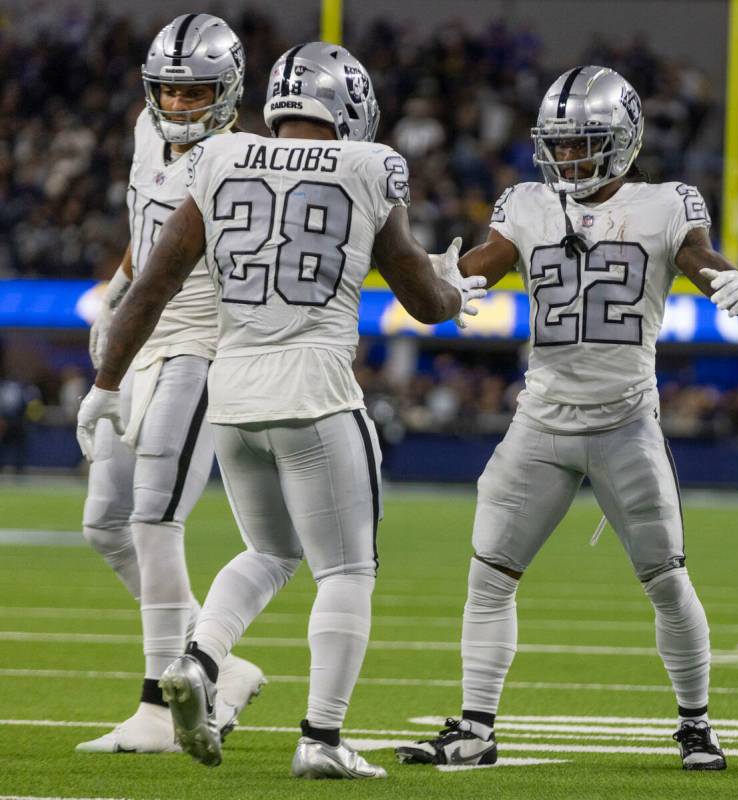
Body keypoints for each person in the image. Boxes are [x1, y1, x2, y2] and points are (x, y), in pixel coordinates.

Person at [76, 41, 486, 778]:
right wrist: (455, 290)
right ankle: (322, 739)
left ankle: (199, 660)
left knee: (269, 552)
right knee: (347, 567)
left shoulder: (220, 158)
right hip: (316, 392)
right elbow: (423, 303)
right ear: (353, 106)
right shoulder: (370, 166)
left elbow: (153, 283)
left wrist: (106, 382)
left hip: (230, 393)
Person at [395, 66, 738, 772]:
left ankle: (695, 724)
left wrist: (730, 279)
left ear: (624, 140)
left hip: (626, 423)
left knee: (664, 576)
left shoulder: (664, 203)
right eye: (559, 144)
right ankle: (475, 728)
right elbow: (489, 261)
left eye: (582, 143)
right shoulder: (528, 203)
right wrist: (444, 276)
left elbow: (696, 258)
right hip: (540, 424)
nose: (566, 157)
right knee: (489, 573)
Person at [76, 14, 264, 755]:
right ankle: (219, 661)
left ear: (227, 91)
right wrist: (119, 288)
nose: (179, 105)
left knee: (155, 518)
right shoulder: (144, 131)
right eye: (168, 90)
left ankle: (160, 704)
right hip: (144, 339)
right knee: (104, 523)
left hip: (201, 346)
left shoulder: (241, 159)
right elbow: (145, 224)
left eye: (195, 92)